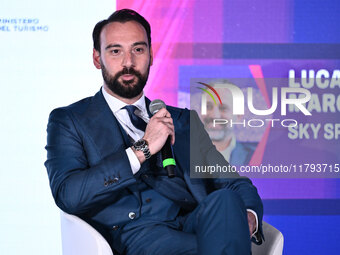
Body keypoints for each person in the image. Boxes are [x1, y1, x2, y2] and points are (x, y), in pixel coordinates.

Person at [45, 9, 263, 255]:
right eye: (116, 51)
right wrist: (143, 148)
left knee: (226, 200)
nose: (128, 62)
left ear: (150, 55)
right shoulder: (69, 121)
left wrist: (247, 218)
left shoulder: (183, 119)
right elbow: (68, 194)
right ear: (97, 59)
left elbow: (233, 183)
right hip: (136, 235)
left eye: (138, 50)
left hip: (193, 223)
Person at [198, 80, 258, 166]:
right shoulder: (182, 155)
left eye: (223, 108)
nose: (214, 115)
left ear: (239, 115)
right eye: (208, 106)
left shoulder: (256, 158)